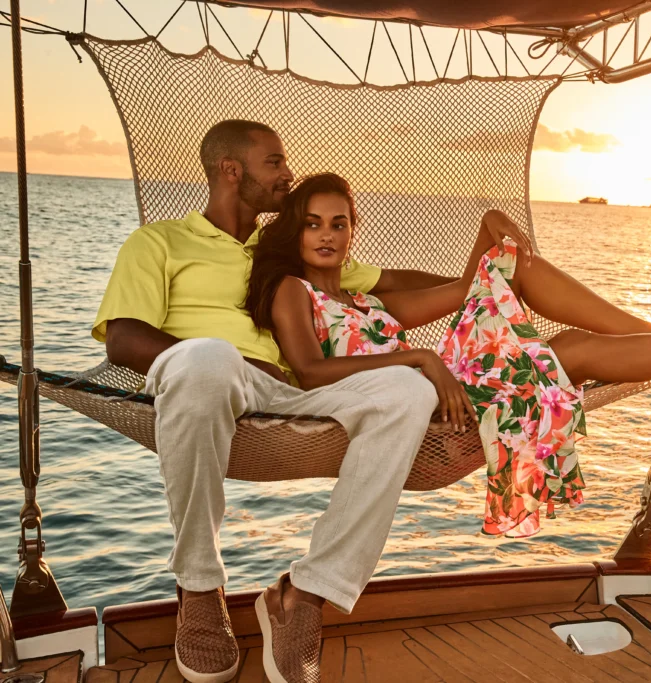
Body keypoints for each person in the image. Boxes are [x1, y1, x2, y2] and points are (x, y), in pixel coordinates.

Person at [245, 173, 651, 543]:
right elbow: (310, 374)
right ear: (293, 232)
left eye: (339, 223)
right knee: (571, 349)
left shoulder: (365, 297)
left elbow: (463, 289)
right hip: (421, 397)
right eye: (313, 224)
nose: (327, 234)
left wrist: (495, 238)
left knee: (520, 272)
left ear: (353, 231)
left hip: (449, 370)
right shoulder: (295, 292)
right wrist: (420, 359)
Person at [93, 121, 447, 683]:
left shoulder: (284, 245)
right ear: (232, 171)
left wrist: (488, 279)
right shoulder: (157, 242)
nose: (288, 174)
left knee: (409, 388)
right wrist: (222, 361)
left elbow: (393, 284)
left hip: (297, 387)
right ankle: (200, 587)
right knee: (205, 359)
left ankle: (305, 595)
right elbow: (125, 339)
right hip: (205, 377)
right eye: (275, 163)